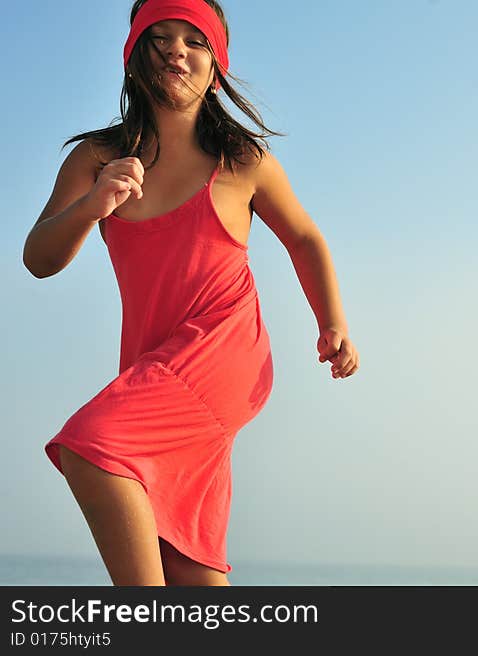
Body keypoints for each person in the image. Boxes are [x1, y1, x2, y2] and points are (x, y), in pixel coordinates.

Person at [22, 0, 359, 586]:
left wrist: (332, 321)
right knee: (181, 555)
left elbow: (304, 238)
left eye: (194, 40)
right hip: (151, 361)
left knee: (91, 447)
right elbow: (39, 258)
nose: (177, 49)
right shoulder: (97, 160)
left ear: (215, 64)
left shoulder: (242, 161)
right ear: (134, 57)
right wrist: (92, 205)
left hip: (222, 355)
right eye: (161, 37)